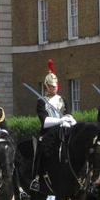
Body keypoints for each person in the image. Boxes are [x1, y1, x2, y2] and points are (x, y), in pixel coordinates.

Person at [29, 59, 75, 191]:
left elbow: (68, 113)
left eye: (55, 86)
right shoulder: (41, 101)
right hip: (49, 132)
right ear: (46, 86)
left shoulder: (62, 99)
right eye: (51, 86)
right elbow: (44, 121)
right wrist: (60, 121)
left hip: (64, 131)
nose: (54, 88)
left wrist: (71, 120)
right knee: (41, 150)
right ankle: (37, 177)